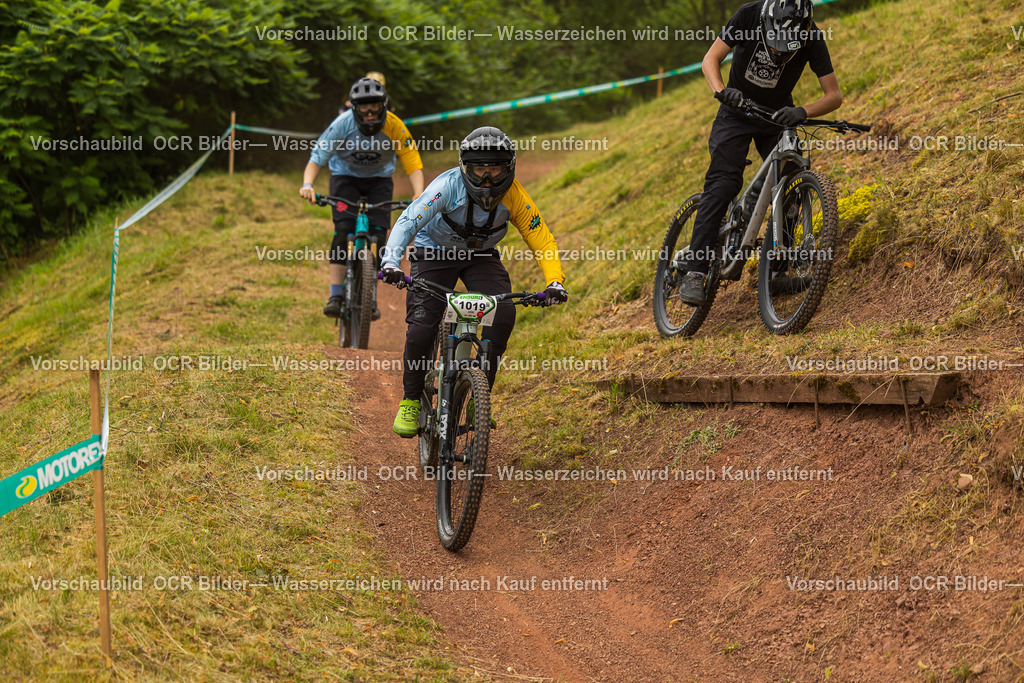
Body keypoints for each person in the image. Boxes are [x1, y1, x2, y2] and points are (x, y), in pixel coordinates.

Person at [379, 126, 568, 437]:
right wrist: (390, 263)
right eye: (479, 169)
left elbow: (542, 240)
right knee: (422, 327)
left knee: (504, 313)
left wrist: (554, 282)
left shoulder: (515, 196)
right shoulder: (447, 187)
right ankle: (411, 400)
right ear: (465, 167)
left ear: (509, 168)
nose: (487, 179)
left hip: (480, 257)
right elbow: (409, 220)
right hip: (433, 252)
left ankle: (480, 400)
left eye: (495, 169)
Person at [677, 0, 842, 306]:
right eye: (774, 44)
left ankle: (777, 273)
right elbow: (710, 59)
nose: (778, 52)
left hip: (776, 117)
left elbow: (833, 96)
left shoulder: (813, 38)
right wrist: (722, 90)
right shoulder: (748, 14)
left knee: (792, 183)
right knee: (724, 182)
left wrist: (802, 111)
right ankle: (695, 272)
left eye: (786, 47)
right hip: (735, 112)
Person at [300, 77, 425, 319]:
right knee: (343, 227)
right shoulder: (342, 124)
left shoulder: (394, 125)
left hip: (380, 181)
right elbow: (318, 156)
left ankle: (370, 295)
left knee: (379, 233)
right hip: (344, 178)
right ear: (354, 107)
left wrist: (418, 192)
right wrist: (308, 183)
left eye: (375, 105)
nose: (370, 112)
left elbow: (411, 158)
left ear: (384, 105)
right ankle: (335, 295)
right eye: (364, 106)